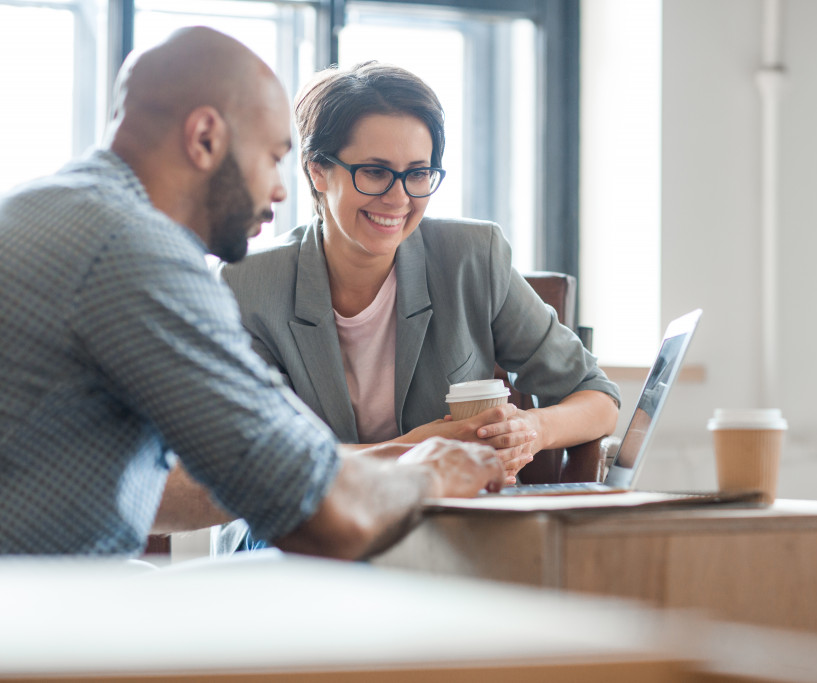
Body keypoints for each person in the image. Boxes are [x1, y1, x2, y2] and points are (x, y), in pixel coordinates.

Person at [0, 27, 503, 559]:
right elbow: (323, 519)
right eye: (272, 156)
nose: (282, 189)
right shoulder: (135, 251)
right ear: (205, 138)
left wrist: (366, 464)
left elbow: (180, 491)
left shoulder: (42, 208)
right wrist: (429, 473)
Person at [216, 62, 621, 486]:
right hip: (302, 523)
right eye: (374, 172)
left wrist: (531, 430)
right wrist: (413, 451)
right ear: (318, 169)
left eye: (418, 173)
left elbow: (597, 397)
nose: (399, 197)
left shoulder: (471, 258)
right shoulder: (248, 286)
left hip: (453, 523)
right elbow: (262, 456)